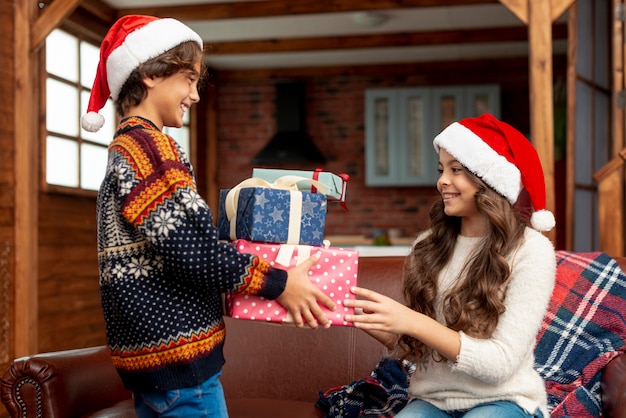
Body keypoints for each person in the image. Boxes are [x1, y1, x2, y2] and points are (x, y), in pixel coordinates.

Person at [82, 15, 335, 418]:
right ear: (149, 73)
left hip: (149, 364)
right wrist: (279, 282)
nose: (195, 94)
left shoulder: (124, 151)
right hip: (181, 368)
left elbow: (174, 245)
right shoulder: (152, 149)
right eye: (188, 79)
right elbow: (193, 252)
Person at [344, 113, 557, 418]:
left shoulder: (531, 250)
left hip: (504, 401)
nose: (442, 181)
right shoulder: (428, 246)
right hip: (431, 401)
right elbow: (422, 352)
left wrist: (414, 322)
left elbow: (500, 364)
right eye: (442, 169)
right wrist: (377, 323)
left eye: (456, 170)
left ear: (490, 181)